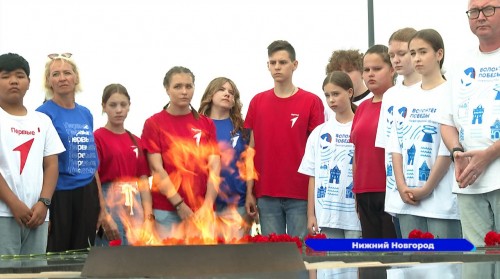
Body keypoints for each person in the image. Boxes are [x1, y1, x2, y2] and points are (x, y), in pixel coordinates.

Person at [244, 40, 325, 238]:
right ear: (268, 66)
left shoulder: (311, 102)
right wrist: (249, 191)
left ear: (294, 65)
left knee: (301, 258)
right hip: (266, 193)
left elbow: (319, 153)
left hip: (300, 193)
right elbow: (249, 150)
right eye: (273, 63)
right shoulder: (257, 102)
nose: (277, 67)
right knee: (275, 259)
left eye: (282, 62)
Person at [388, 29, 461, 238]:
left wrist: (427, 188)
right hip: (407, 199)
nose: (417, 58)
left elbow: (448, 147)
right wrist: (402, 187)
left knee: (444, 267)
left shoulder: (451, 92)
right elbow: (396, 147)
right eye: (412, 53)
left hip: (441, 201)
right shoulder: (404, 97)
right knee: (413, 267)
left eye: (422, 52)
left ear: (439, 54)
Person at [439, 0, 500, 246]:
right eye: (474, 11)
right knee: (476, 266)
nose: (480, 17)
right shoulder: (459, 64)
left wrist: (489, 154)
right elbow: (446, 121)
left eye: (489, 9)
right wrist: (456, 152)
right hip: (469, 182)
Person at [36, 53, 111, 252]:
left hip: (87, 193)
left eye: (67, 73)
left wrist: (101, 204)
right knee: (57, 256)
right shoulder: (42, 114)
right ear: (49, 81)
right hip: (58, 193)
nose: (62, 78)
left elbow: (91, 160)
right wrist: (45, 207)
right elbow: (39, 163)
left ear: (76, 77)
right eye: (56, 74)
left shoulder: (85, 113)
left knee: (83, 256)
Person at [141, 66, 220, 240]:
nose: (184, 91)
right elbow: (157, 169)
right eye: (177, 87)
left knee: (202, 264)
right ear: (167, 89)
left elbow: (215, 167)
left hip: (202, 212)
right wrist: (179, 205)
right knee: (168, 265)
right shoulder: (154, 124)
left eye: (188, 86)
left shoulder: (206, 124)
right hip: (166, 211)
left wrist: (207, 205)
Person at [0, 53, 65, 255]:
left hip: (38, 216)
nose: (13, 81)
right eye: (5, 76)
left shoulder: (42, 121)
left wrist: (44, 203)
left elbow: (52, 164)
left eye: (20, 76)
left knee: (35, 271)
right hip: (4, 214)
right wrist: (13, 204)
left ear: (29, 82)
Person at [299, 71, 361, 239]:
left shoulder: (361, 127)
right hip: (326, 215)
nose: (331, 100)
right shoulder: (319, 133)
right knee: (331, 264)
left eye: (336, 94)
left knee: (355, 263)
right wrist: (311, 214)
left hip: (355, 217)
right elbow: (313, 176)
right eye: (327, 95)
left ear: (349, 92)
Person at [94, 83, 154, 245]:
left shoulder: (136, 141)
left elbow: (143, 183)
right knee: (111, 256)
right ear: (104, 107)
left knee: (135, 259)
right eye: (113, 105)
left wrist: (149, 218)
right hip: (110, 201)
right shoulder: (97, 138)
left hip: (135, 204)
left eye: (123, 105)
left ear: (129, 106)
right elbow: (95, 180)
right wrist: (104, 214)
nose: (118, 110)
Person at [375, 27, 421, 238]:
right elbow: (387, 145)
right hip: (398, 193)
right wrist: (397, 186)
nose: (396, 60)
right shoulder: (391, 96)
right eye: (392, 55)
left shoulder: (436, 88)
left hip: (430, 189)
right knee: (407, 263)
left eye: (402, 54)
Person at [350, 44, 397, 238]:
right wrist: (356, 191)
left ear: (392, 69)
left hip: (391, 191)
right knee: (371, 260)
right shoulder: (361, 108)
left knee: (393, 260)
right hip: (364, 192)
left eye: (377, 69)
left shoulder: (400, 102)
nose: (370, 74)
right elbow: (356, 153)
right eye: (366, 70)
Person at [198, 77, 252, 238]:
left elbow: (249, 165)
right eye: (222, 89)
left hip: (237, 205)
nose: (227, 94)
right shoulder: (196, 126)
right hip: (202, 206)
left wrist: (250, 195)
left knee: (236, 260)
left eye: (231, 92)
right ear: (210, 94)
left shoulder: (242, 129)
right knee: (205, 260)